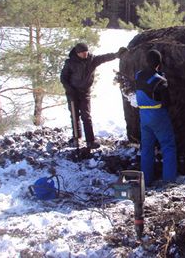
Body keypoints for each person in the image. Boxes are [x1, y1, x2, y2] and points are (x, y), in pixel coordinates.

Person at [60, 42, 125, 149]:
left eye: (86, 52)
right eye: (82, 53)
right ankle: (76, 138)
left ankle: (90, 141)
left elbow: (104, 58)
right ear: (77, 53)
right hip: (72, 93)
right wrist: (69, 89)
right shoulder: (70, 62)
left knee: (86, 116)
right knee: (74, 115)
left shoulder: (92, 60)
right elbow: (63, 78)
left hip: (85, 92)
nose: (85, 54)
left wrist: (116, 55)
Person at [135, 49, 177, 186]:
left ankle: (146, 181)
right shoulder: (160, 81)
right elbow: (167, 102)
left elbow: (147, 81)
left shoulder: (138, 76)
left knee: (147, 148)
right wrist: (163, 80)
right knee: (168, 145)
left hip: (143, 115)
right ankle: (169, 180)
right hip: (158, 115)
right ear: (159, 63)